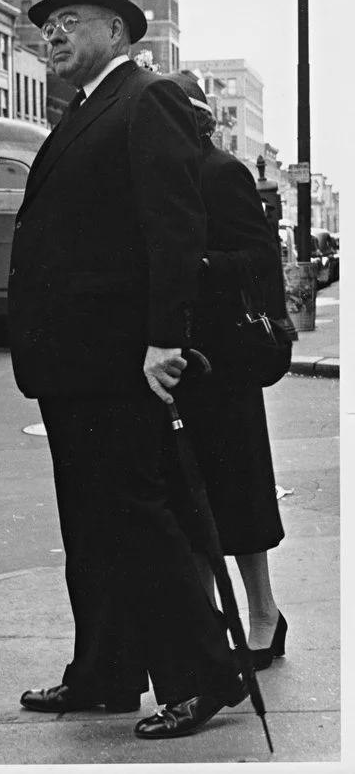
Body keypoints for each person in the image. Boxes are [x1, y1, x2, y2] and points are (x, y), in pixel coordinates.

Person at [7, 0, 246, 740]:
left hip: (117, 358)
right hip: (74, 360)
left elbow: (174, 227)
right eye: (47, 24)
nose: (52, 33)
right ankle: (105, 675)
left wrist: (165, 339)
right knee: (93, 523)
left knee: (136, 517)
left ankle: (204, 674)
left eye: (67, 20)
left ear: (114, 28)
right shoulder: (89, 107)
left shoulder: (147, 99)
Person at [164, 73, 287, 671]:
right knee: (192, 501)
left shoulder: (220, 172)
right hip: (182, 359)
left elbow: (261, 256)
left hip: (228, 360)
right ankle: (214, 628)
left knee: (239, 496)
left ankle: (263, 614)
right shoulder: (163, 179)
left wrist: (200, 264)